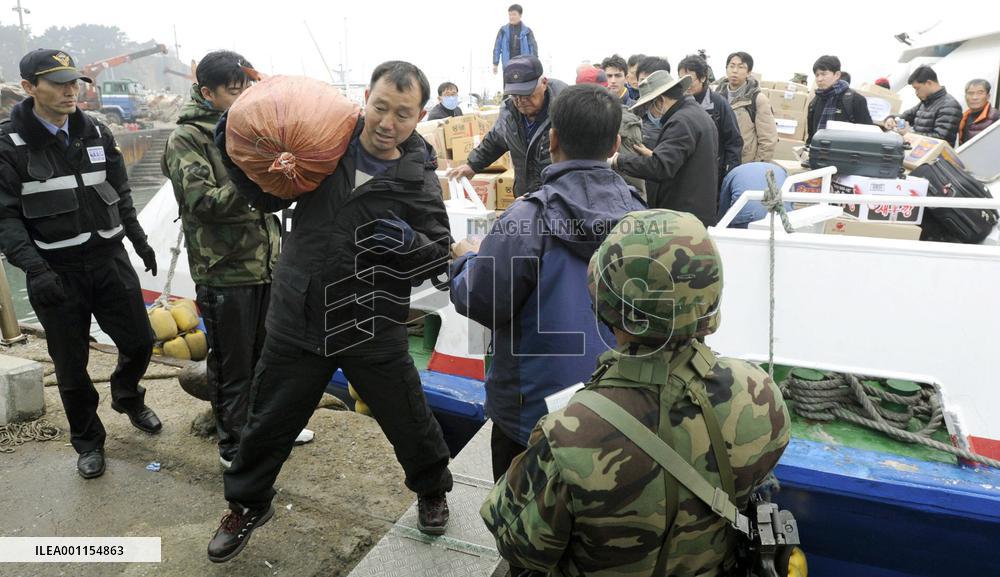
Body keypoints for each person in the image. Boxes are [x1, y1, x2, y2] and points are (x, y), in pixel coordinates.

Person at [206, 61, 454, 562]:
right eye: (380, 107)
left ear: (420, 115)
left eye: (403, 114)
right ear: (366, 98)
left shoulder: (416, 175)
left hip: (372, 319)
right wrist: (231, 145)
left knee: (408, 415)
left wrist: (407, 242)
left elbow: (437, 249)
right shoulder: (323, 147)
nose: (388, 123)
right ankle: (246, 505)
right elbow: (260, 193)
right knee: (268, 419)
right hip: (300, 313)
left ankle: (432, 489)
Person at [482, 209, 791, 576]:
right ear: (710, 299)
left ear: (608, 307)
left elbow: (519, 545)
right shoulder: (759, 392)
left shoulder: (568, 433)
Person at [450, 82, 645, 497]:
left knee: (521, 524)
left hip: (531, 418)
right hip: (622, 412)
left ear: (552, 140)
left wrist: (467, 258)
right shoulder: (643, 218)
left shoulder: (526, 218)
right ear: (614, 144)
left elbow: (482, 300)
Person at [0, 49, 161, 479]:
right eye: (57, 82)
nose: (70, 89)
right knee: (71, 368)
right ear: (30, 88)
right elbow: (6, 218)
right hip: (56, 270)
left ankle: (127, 396)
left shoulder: (96, 131)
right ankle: (88, 441)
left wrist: (140, 242)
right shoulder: (8, 145)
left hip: (110, 259)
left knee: (141, 341)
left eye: (73, 81)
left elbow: (119, 192)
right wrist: (35, 269)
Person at [161, 50, 313, 470]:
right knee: (232, 363)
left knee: (272, 355)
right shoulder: (188, 138)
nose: (244, 94)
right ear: (207, 92)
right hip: (225, 270)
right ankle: (234, 445)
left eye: (247, 85)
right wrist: (261, 178)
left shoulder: (253, 128)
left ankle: (269, 428)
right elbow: (202, 202)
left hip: (268, 265)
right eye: (233, 89)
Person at [447, 56, 567, 198]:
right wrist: (472, 165)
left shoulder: (567, 109)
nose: (521, 101)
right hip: (526, 197)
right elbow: (495, 140)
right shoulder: (509, 112)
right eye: (515, 95)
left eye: (527, 93)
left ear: (544, 83)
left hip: (561, 198)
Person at [612, 70, 719, 225]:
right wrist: (654, 155)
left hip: (682, 218)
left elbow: (660, 168)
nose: (649, 111)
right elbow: (684, 160)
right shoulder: (696, 114)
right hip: (697, 212)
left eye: (649, 105)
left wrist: (618, 160)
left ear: (660, 101)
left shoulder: (680, 122)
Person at [678, 54, 743, 182]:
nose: (685, 84)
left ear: (703, 77)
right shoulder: (677, 102)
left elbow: (734, 141)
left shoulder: (718, 103)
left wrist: (728, 173)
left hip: (712, 173)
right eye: (681, 79)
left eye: (689, 79)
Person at [715, 51, 777, 163]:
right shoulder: (716, 97)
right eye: (731, 66)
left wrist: (755, 168)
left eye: (741, 67)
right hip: (717, 162)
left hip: (743, 163)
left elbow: (768, 140)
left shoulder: (757, 99)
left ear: (749, 72)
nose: (735, 71)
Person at [885, 65, 963, 144]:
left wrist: (909, 134)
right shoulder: (925, 102)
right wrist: (891, 118)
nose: (916, 93)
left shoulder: (950, 106)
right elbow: (906, 116)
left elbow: (941, 139)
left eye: (917, 88)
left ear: (929, 83)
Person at [806, 55, 872, 143]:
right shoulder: (816, 100)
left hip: (844, 154)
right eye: (817, 75)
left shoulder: (855, 100)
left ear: (837, 75)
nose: (819, 79)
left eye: (823, 74)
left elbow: (869, 136)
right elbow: (811, 136)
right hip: (818, 153)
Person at [718, 162, 790, 227]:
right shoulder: (783, 173)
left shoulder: (734, 172)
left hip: (748, 218)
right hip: (782, 218)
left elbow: (724, 208)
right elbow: (790, 202)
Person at [633, 57, 674, 147]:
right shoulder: (634, 112)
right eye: (642, 80)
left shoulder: (678, 115)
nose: (647, 85)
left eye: (652, 80)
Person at [492, 4, 538, 75]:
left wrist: (535, 64)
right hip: (508, 66)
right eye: (509, 15)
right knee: (508, 85)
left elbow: (533, 48)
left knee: (523, 85)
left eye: (514, 14)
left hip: (524, 66)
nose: (511, 17)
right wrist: (495, 63)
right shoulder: (503, 30)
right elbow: (497, 47)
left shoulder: (527, 31)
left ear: (520, 15)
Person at [957, 79, 998, 146]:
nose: (974, 97)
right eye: (970, 93)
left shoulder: (995, 117)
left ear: (988, 96)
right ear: (965, 97)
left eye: (980, 93)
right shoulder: (963, 117)